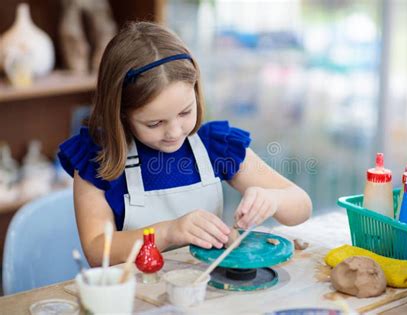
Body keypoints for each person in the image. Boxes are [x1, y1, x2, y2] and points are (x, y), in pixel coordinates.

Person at [58, 22, 312, 267]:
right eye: (155, 123)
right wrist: (169, 232)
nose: (174, 132)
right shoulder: (98, 158)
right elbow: (97, 250)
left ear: (196, 91)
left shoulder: (216, 146)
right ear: (121, 113)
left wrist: (273, 199)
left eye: (185, 112)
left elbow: (301, 205)